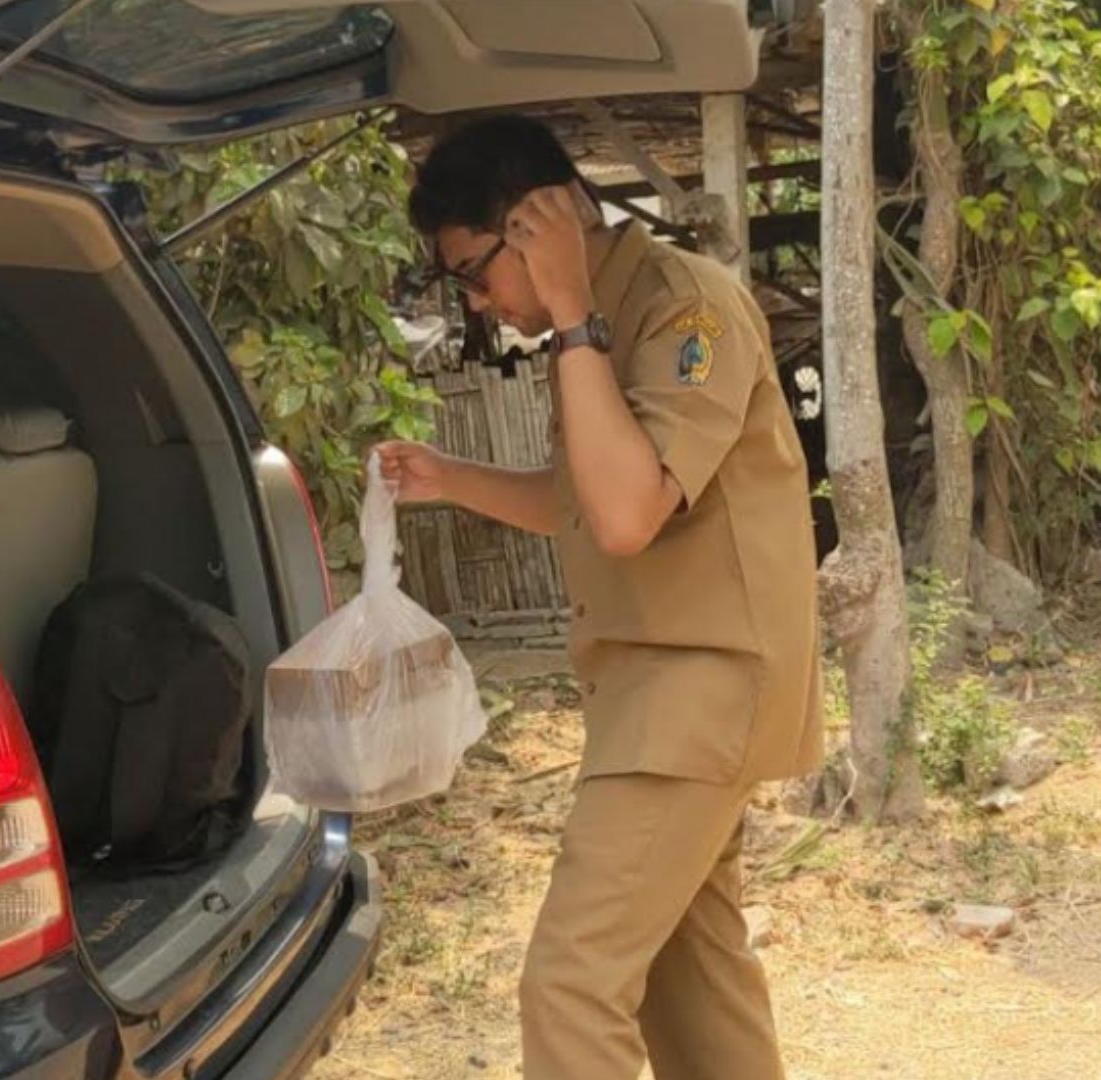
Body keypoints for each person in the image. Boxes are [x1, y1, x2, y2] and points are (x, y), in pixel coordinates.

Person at [376, 114, 823, 1080]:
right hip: (653, 700)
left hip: (697, 695)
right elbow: (578, 501)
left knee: (571, 987)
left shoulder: (679, 310)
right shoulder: (598, 327)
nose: (482, 307)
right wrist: (449, 475)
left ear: (546, 221)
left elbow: (626, 516)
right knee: (691, 985)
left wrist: (573, 314)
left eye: (475, 274)